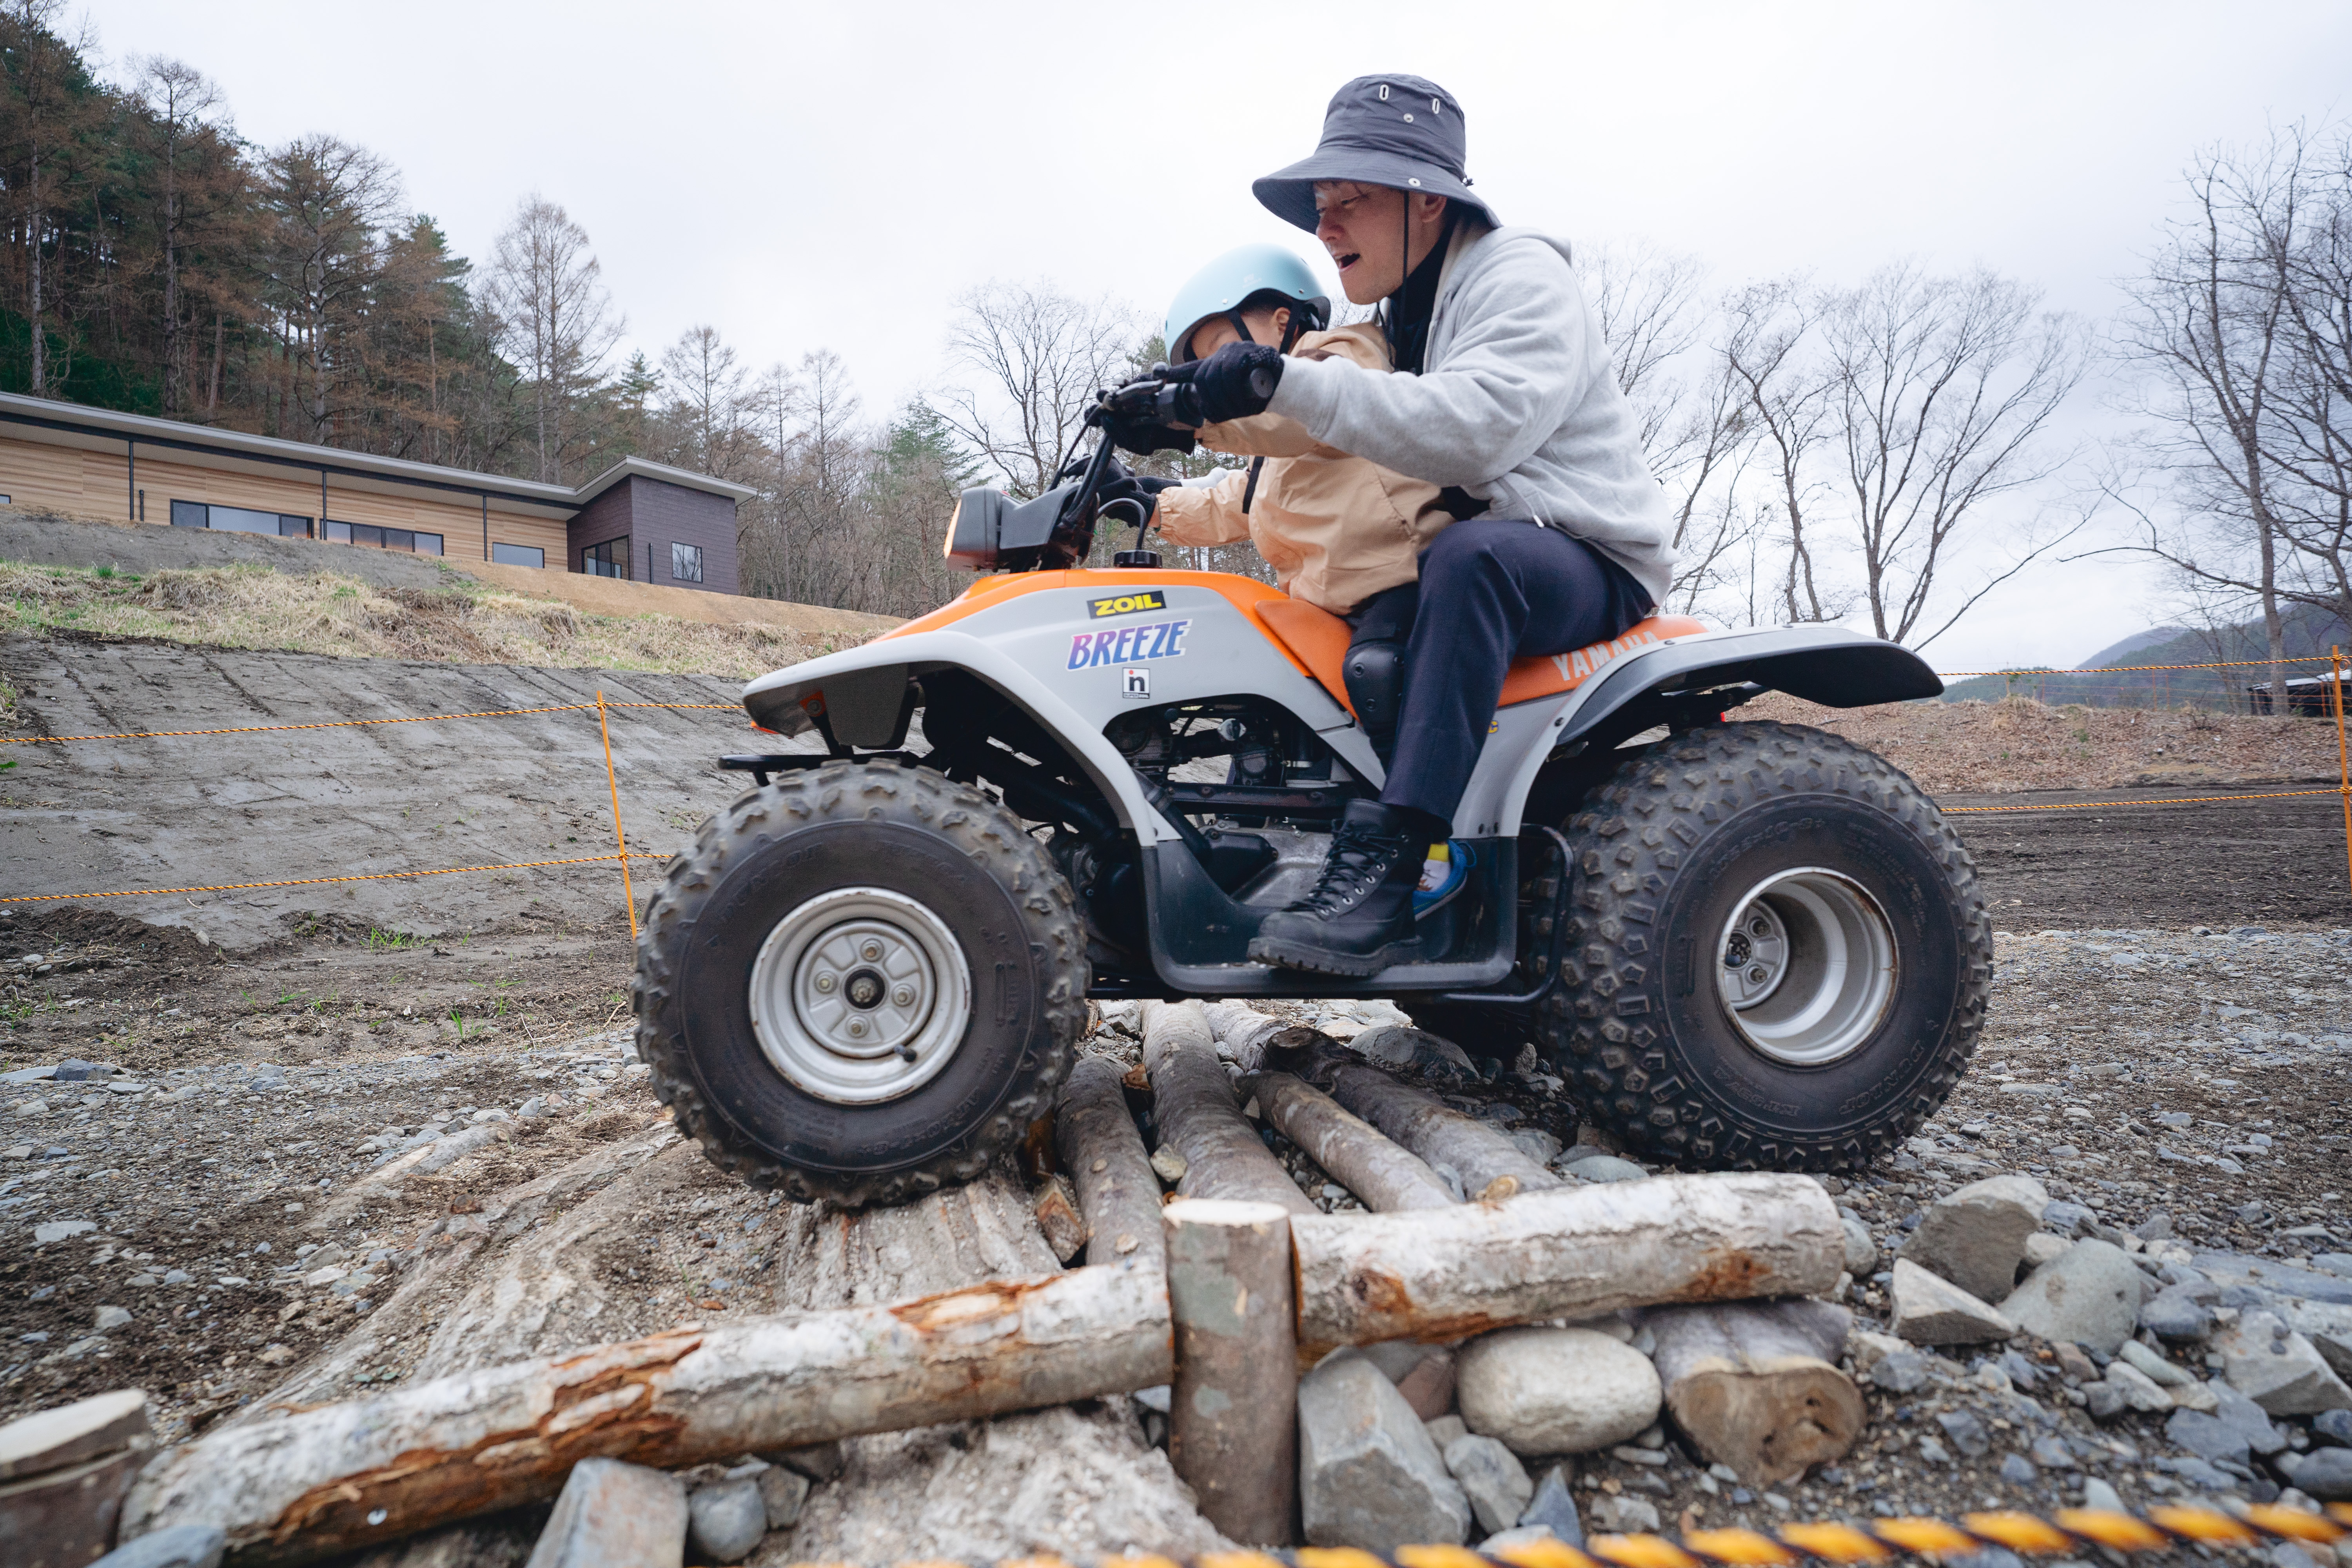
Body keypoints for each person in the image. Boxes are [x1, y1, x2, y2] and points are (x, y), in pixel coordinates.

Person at [1155, 74, 1677, 976]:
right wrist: (1173, 426)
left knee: (1471, 560)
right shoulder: (1402, 310)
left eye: (1347, 202)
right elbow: (1317, 435)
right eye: (1319, 209)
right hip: (1484, 552)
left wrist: (1276, 379)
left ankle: (1397, 867)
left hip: (1581, 551)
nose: (1324, 230)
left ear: (1428, 199)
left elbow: (1474, 427)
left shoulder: (1520, 275)